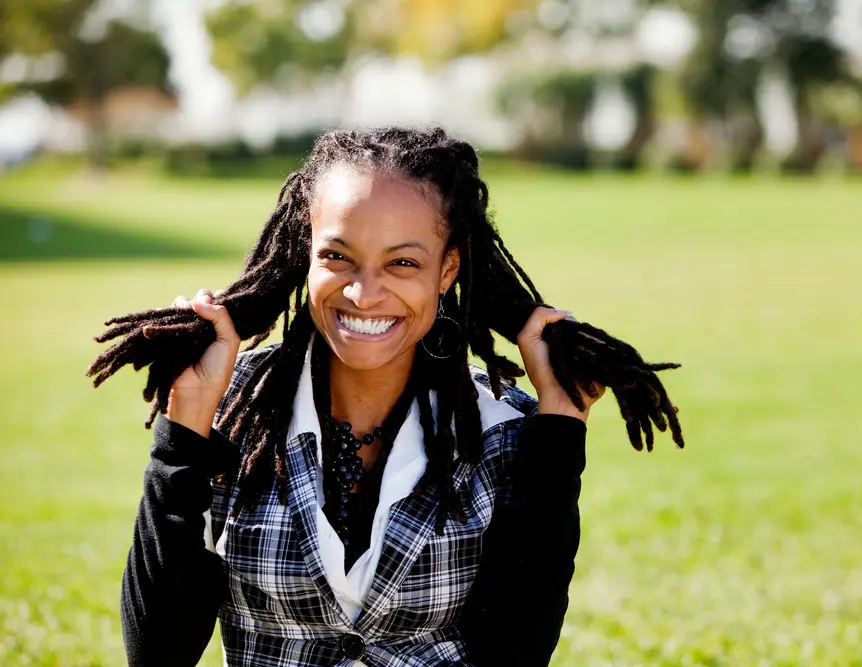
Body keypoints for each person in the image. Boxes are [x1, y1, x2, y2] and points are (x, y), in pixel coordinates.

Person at [90, 127, 682, 667]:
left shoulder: (502, 429)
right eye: (338, 256)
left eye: (402, 262)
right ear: (306, 253)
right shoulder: (236, 409)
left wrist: (560, 429)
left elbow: (517, 652)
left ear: (447, 270)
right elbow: (156, 653)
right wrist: (183, 434)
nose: (363, 292)